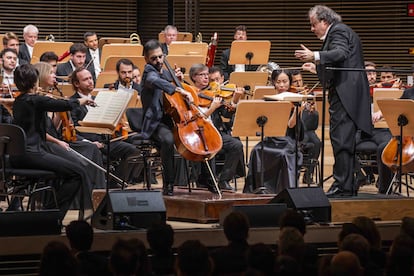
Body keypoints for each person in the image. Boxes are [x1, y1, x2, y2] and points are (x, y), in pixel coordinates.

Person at [295, 5, 372, 197]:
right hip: (348, 94)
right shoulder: (340, 31)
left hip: (346, 96)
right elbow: (340, 64)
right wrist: (316, 67)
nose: (312, 29)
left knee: (341, 140)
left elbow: (340, 53)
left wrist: (315, 55)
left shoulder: (338, 30)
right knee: (343, 139)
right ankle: (353, 178)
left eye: (314, 25)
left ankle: (342, 186)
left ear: (325, 21)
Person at [10, 64, 93, 220]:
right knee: (78, 172)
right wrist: (83, 100)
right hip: (33, 154)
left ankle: (48, 213)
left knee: (68, 170)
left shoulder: (19, 100)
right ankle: (52, 215)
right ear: (35, 81)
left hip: (17, 155)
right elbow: (65, 104)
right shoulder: (36, 100)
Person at [69, 67, 142, 187]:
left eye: (91, 78)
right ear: (77, 84)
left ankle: (116, 184)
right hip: (90, 144)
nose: (90, 81)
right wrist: (88, 142)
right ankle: (112, 186)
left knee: (135, 151)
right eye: (86, 79)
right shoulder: (73, 103)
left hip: (105, 140)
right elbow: (73, 130)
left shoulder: (98, 99)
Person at [139, 39, 193, 196]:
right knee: (168, 141)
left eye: (160, 57)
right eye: (153, 58)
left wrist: (179, 80)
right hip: (155, 123)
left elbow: (174, 83)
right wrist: (178, 89)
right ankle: (168, 184)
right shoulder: (148, 73)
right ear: (146, 60)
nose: (158, 61)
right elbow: (154, 81)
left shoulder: (166, 72)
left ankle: (202, 179)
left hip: (173, 119)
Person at [245, 70, 303, 193]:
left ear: (289, 82)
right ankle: (260, 189)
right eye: (278, 82)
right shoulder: (269, 100)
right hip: (271, 139)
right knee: (256, 150)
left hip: (288, 140)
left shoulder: (296, 99)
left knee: (283, 154)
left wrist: (299, 110)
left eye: (285, 82)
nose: (282, 85)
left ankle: (284, 190)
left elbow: (291, 125)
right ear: (274, 83)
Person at [189, 64, 244, 191]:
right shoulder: (190, 95)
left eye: (206, 74)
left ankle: (224, 180)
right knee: (211, 147)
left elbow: (226, 114)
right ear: (194, 77)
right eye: (202, 75)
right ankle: (208, 181)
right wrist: (212, 107)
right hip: (198, 134)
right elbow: (195, 119)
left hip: (215, 131)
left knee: (236, 145)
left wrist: (235, 100)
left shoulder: (213, 92)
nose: (206, 77)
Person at [290, 69, 321, 184]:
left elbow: (314, 124)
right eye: (295, 82)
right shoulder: (288, 96)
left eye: (300, 80)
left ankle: (309, 174)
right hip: (292, 130)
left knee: (316, 141)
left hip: (306, 130)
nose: (299, 84)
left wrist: (312, 110)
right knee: (305, 139)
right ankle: (294, 173)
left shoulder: (308, 95)